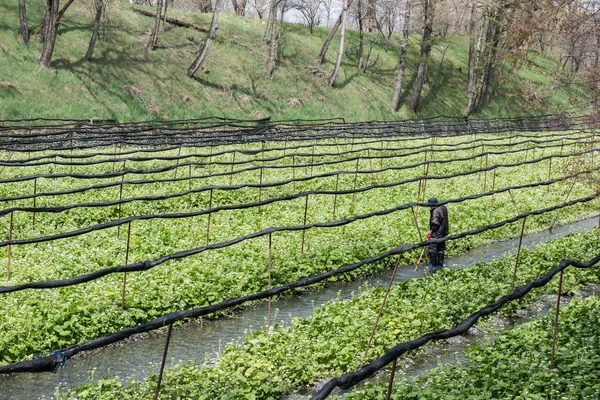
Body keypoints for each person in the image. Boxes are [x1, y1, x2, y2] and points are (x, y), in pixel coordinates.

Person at [426, 197, 448, 273]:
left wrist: (431, 232)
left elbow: (435, 223)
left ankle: (433, 266)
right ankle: (440, 265)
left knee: (432, 248)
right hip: (444, 233)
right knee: (441, 249)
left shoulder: (435, 211)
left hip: (437, 234)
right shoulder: (443, 207)